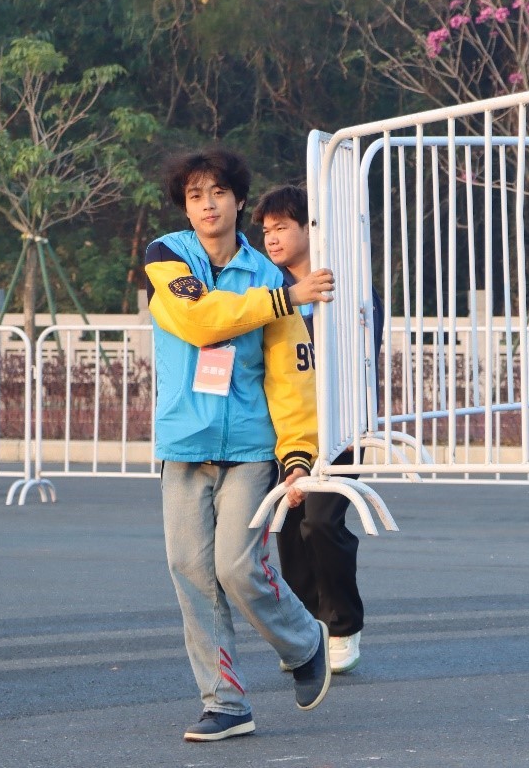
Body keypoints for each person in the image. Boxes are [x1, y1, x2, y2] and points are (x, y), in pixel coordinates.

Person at [143, 145, 331, 743]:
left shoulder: (267, 274)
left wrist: (298, 457)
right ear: (185, 206)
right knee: (191, 572)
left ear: (239, 200)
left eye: (218, 193)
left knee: (236, 566)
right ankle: (225, 702)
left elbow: (290, 375)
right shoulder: (166, 257)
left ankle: (304, 642)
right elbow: (201, 321)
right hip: (184, 443)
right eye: (195, 196)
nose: (208, 205)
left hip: (251, 448)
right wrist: (287, 298)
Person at [252, 184, 383, 674]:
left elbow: (362, 360)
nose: (271, 238)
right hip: (287, 434)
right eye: (266, 230)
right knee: (289, 531)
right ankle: (307, 631)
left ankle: (342, 626)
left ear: (311, 229)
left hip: (340, 430)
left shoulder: (350, 290)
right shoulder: (268, 293)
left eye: (282, 227)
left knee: (322, 523)